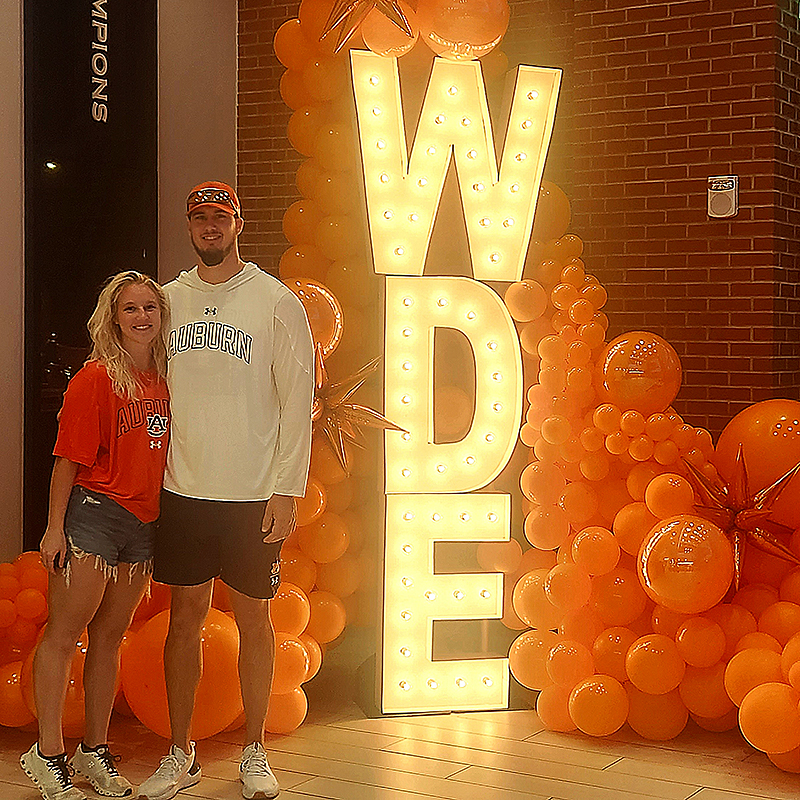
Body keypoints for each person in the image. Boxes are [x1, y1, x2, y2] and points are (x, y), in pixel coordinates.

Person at [137, 181, 313, 800]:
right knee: (183, 619)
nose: (209, 226)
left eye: (220, 217)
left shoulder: (275, 301)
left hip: (253, 492)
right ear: (189, 227)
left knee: (255, 619)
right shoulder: (170, 300)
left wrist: (287, 489)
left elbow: (298, 401)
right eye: (198, 218)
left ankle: (254, 749)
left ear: (238, 224)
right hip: (184, 489)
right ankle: (180, 753)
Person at [20, 271, 171, 800]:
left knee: (110, 639)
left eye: (150, 307)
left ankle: (95, 750)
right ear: (113, 317)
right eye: (130, 309)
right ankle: (46, 754)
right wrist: (54, 528)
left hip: (144, 523)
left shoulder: (167, 379)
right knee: (65, 634)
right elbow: (66, 460)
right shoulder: (95, 379)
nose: (142, 317)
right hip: (93, 513)